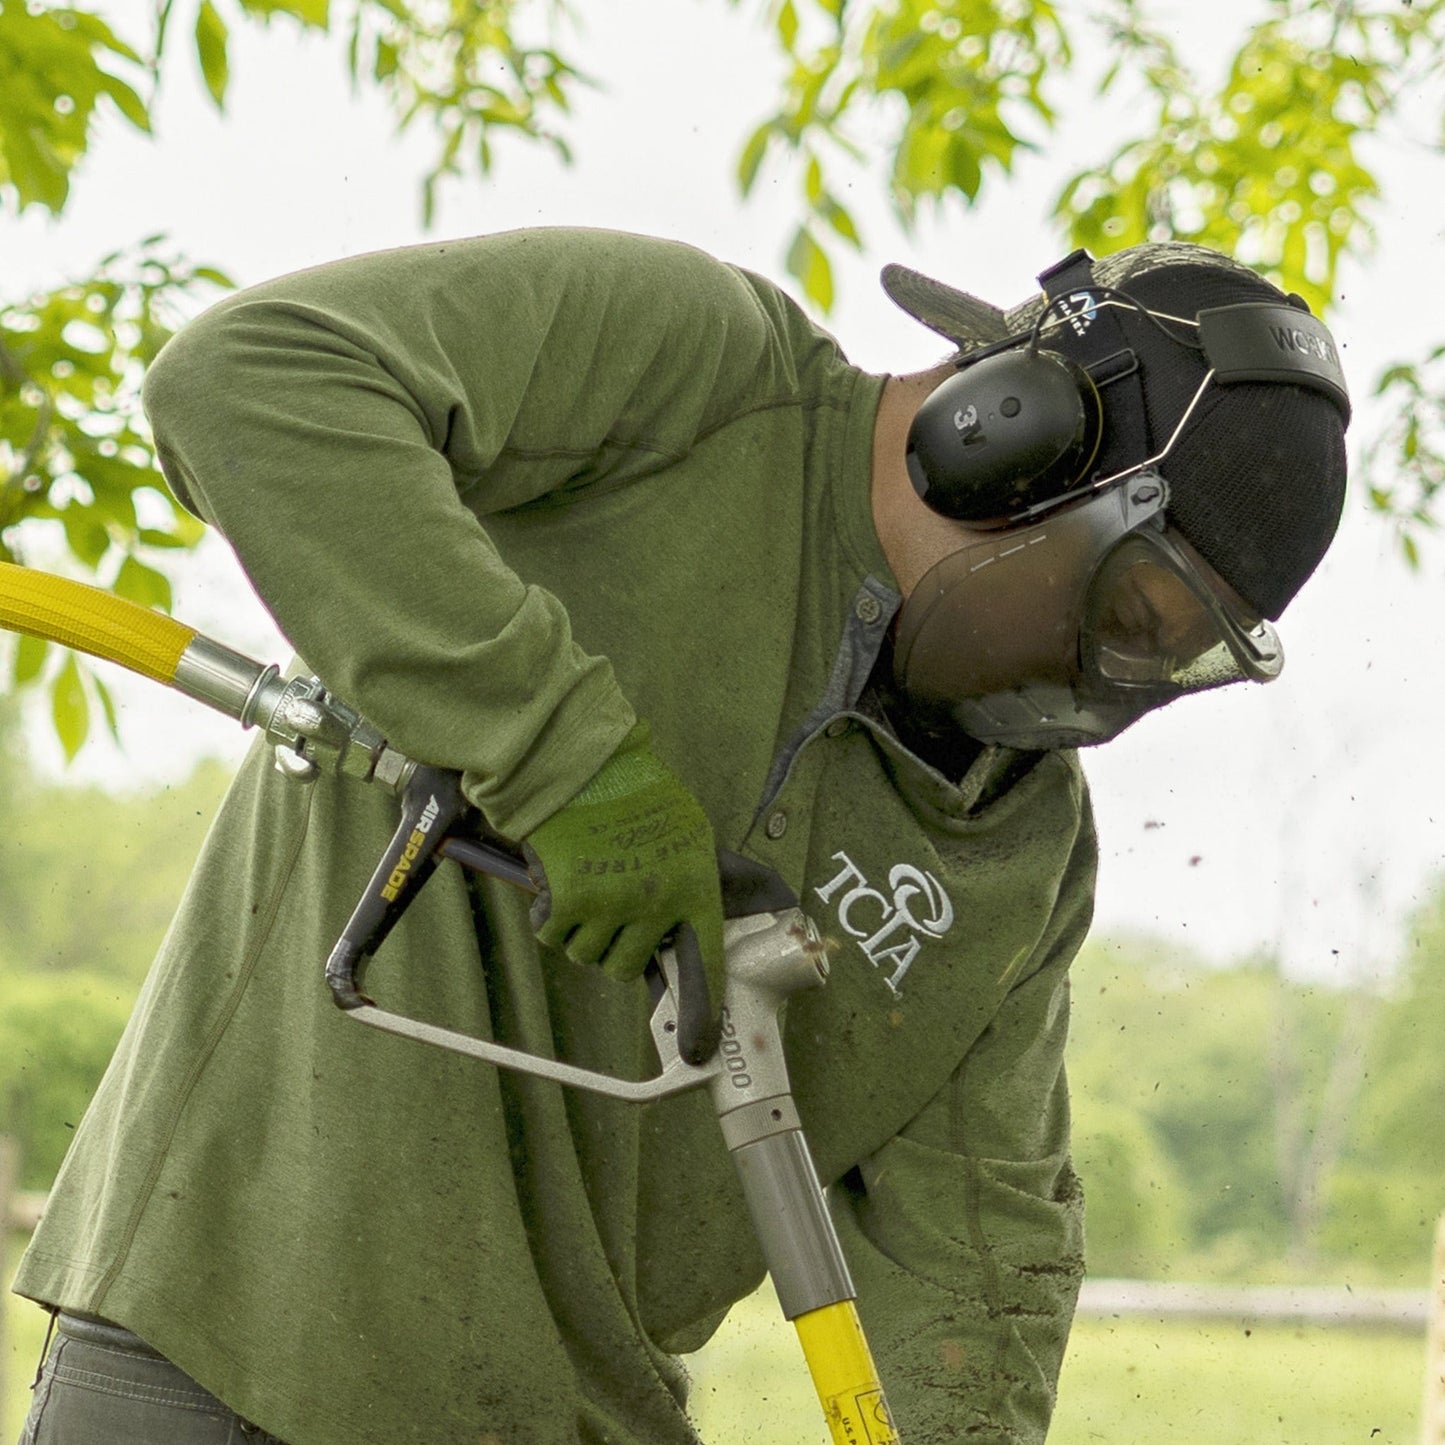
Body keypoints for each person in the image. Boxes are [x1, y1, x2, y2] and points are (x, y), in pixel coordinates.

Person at [12, 227, 1349, 1445]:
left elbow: (973, 1254)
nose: (1106, 690)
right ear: (1010, 434)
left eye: (1171, 665)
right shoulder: (697, 373)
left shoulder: (1016, 848)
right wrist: (563, 759)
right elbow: (249, 380)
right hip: (220, 1327)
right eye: (1129, 615)